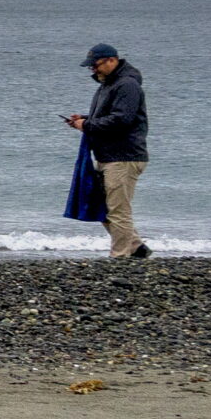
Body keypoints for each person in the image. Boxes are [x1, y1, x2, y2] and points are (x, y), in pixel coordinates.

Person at [66, 43, 149, 258]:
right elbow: (111, 116)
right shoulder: (109, 85)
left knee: (118, 211)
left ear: (112, 60)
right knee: (102, 206)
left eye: (95, 65)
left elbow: (122, 120)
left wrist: (87, 125)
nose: (93, 70)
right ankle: (136, 247)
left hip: (123, 156)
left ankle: (119, 256)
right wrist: (84, 120)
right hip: (108, 155)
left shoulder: (127, 85)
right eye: (91, 67)